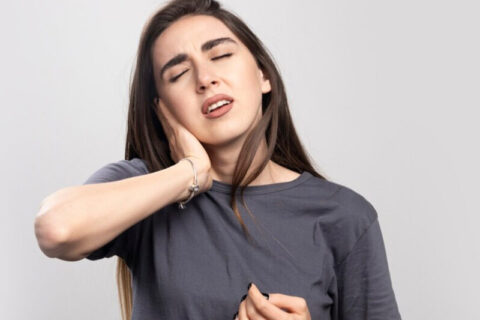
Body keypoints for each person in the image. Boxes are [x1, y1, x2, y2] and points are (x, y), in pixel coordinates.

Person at [34, 0, 402, 319]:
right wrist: (190, 173)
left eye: (221, 55)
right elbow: (55, 229)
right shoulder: (147, 188)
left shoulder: (345, 217)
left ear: (263, 76)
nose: (205, 78)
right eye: (178, 73)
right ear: (162, 110)